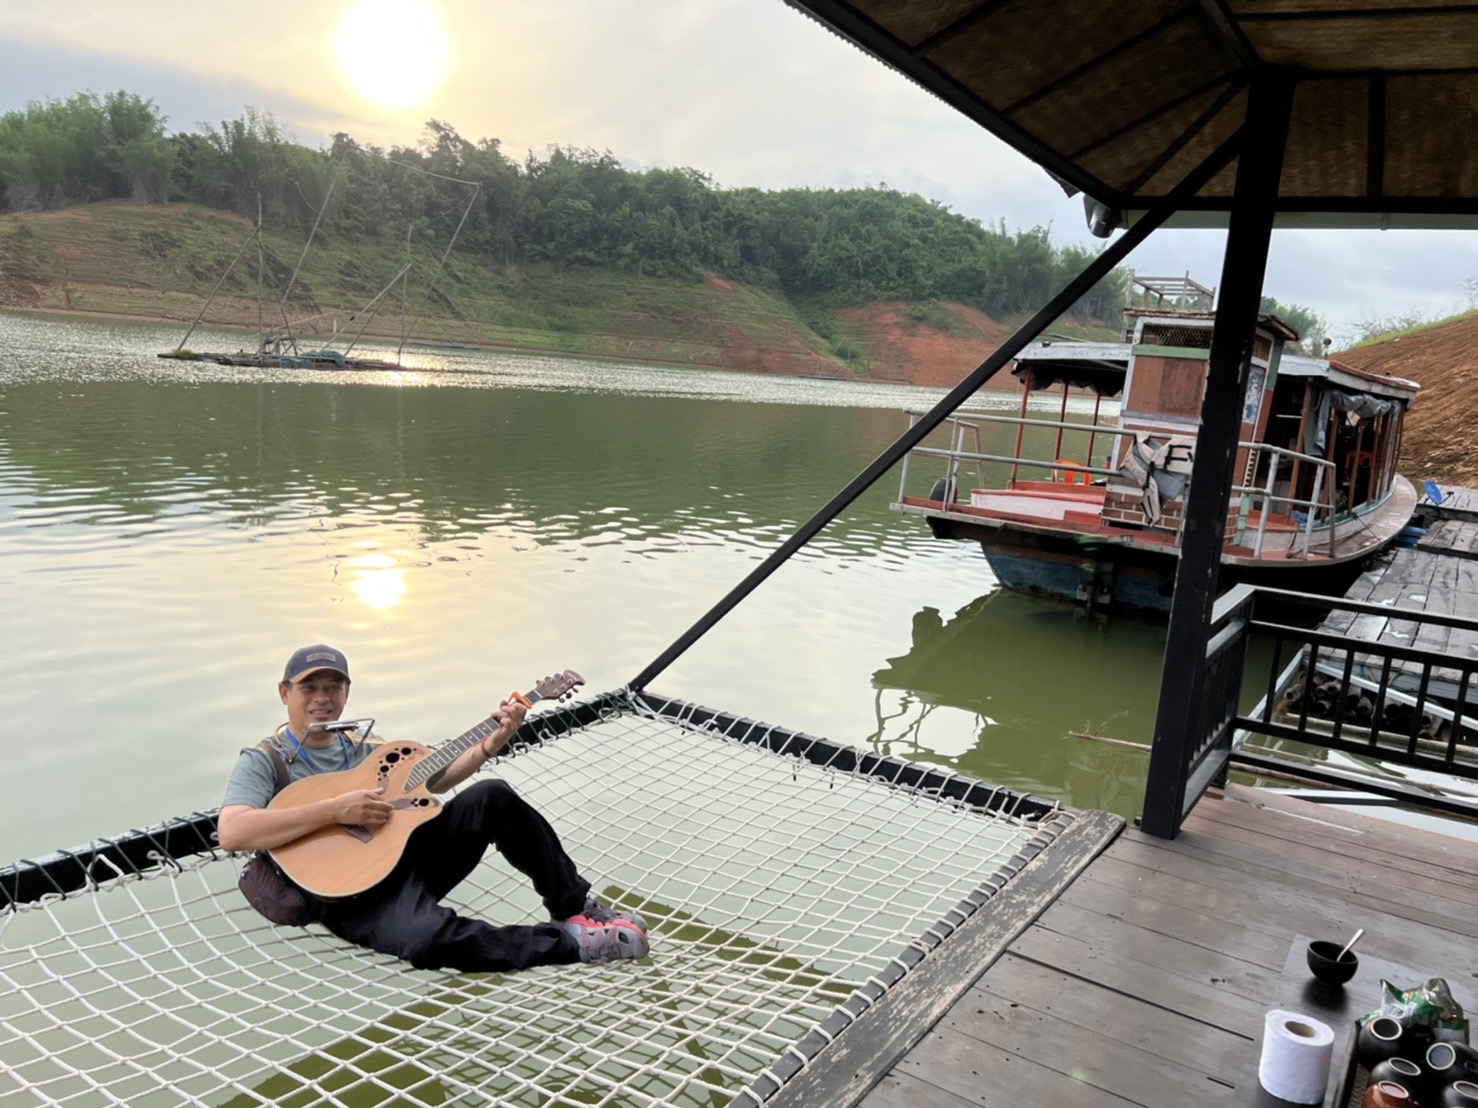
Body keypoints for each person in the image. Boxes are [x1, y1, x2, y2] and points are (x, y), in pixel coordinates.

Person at [217, 644, 649, 971]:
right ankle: (573, 945)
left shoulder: (367, 747)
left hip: (403, 858)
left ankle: (574, 908)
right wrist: (334, 810)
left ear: (347, 692)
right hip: (347, 897)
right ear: (284, 692)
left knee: (491, 795)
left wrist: (493, 742)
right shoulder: (266, 759)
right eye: (309, 687)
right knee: (428, 939)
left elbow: (433, 780)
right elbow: (234, 831)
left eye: (334, 687)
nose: (322, 698)